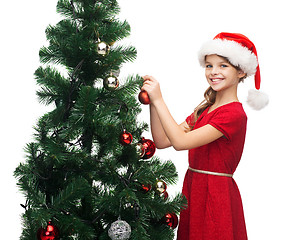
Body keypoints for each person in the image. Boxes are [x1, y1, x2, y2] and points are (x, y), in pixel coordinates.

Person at [141, 32, 268, 239]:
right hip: (194, 189)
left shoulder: (233, 114)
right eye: (209, 65)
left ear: (241, 72)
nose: (213, 72)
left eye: (223, 65)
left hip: (216, 195)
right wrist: (154, 103)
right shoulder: (205, 109)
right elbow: (163, 141)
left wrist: (160, 99)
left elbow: (181, 142)